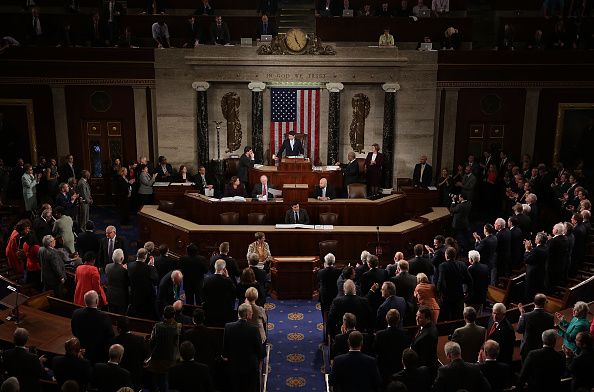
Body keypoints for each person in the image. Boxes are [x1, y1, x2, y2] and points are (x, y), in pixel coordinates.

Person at [223, 303, 264, 392]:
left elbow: (225, 351)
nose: (252, 314)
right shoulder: (254, 329)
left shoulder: (228, 327)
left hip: (234, 367)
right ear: (247, 315)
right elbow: (260, 352)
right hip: (250, 369)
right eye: (251, 312)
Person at [71, 290, 115, 364]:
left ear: (85, 301)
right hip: (99, 354)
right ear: (97, 301)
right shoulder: (104, 316)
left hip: (82, 350)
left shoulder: (76, 313)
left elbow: (74, 332)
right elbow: (110, 336)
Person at [146, 305, 180, 391]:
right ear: (174, 316)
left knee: (157, 380)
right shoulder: (178, 327)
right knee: (163, 381)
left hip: (157, 359)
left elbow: (152, 342)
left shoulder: (157, 326)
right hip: (170, 359)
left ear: (163, 315)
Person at [373, 309, 410, 385]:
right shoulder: (405, 334)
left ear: (386, 318)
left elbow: (375, 350)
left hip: (383, 369)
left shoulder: (379, 335)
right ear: (399, 319)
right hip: (399, 368)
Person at [112, 317, 148, 390]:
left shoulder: (115, 340)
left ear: (119, 329)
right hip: (136, 373)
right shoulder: (139, 340)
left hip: (120, 373)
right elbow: (145, 355)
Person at [437, 247, 472, 321]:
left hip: (447, 297)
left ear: (446, 256)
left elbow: (440, 281)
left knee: (448, 318)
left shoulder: (443, 266)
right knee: (458, 317)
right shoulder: (462, 264)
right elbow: (469, 280)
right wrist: (467, 292)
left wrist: (439, 294)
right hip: (459, 295)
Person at [517, 293, 554, 361]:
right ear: (544, 303)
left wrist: (521, 315)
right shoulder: (550, 317)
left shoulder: (526, 316)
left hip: (527, 349)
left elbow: (519, 330)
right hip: (541, 348)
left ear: (534, 303)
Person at [202, 259, 236, 327]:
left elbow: (203, 294)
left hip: (210, 310)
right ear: (224, 269)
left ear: (215, 267)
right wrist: (228, 276)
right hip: (223, 310)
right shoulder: (227, 281)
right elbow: (234, 292)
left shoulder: (206, 280)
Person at [127, 248, 159, 319]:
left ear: (137, 255)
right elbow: (155, 281)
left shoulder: (129, 265)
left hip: (133, 296)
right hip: (146, 299)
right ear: (145, 257)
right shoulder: (149, 268)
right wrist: (152, 266)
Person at [410, 306, 439, 376]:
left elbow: (425, 358)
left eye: (420, 317)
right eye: (416, 316)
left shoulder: (428, 335)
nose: (417, 319)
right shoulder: (427, 326)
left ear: (428, 318)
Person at [105, 249, 129, 314]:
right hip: (121, 297)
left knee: (111, 315)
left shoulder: (107, 266)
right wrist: (125, 269)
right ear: (122, 258)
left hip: (110, 295)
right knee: (121, 317)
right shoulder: (124, 270)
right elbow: (127, 283)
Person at [318, 253, 342, 319]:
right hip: (335, 293)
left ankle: (325, 322)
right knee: (335, 310)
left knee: (324, 310)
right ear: (333, 261)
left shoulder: (320, 272)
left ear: (325, 261)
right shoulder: (338, 271)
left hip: (324, 295)